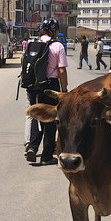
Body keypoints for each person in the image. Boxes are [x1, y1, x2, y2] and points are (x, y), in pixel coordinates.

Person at [25, 18, 68, 166]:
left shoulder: (32, 43)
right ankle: (46, 156)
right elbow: (61, 70)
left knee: (36, 115)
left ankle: (32, 146)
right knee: (50, 119)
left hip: (33, 85)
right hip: (51, 85)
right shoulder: (58, 46)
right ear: (54, 31)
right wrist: (64, 90)